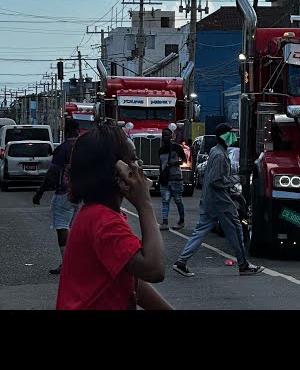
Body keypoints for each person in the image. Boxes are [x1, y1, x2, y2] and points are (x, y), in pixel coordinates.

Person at [56, 126, 173, 310]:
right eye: (133, 158)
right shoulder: (104, 221)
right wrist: (144, 204)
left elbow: (131, 279)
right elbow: (154, 269)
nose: (139, 165)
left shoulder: (100, 214)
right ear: (116, 170)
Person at [172, 122, 264, 277]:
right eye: (231, 133)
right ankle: (243, 265)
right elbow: (216, 181)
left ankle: (181, 262)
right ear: (223, 136)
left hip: (212, 200)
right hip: (220, 202)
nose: (233, 136)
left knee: (200, 232)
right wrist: (236, 179)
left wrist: (233, 194)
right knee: (235, 231)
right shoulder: (219, 155)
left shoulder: (217, 152)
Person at [32, 118, 81, 275]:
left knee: (62, 228)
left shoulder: (63, 149)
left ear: (65, 132)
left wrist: (40, 192)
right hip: (79, 194)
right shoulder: (83, 148)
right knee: (72, 228)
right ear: (78, 132)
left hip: (63, 193)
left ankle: (67, 263)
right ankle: (76, 261)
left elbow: (53, 172)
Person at [158, 127, 186, 231]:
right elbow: (161, 165)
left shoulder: (177, 148)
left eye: (167, 135)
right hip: (165, 179)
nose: (165, 137)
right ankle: (165, 222)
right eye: (163, 135)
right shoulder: (161, 150)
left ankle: (181, 221)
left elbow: (184, 161)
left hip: (176, 178)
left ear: (171, 136)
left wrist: (174, 163)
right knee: (165, 201)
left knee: (178, 200)